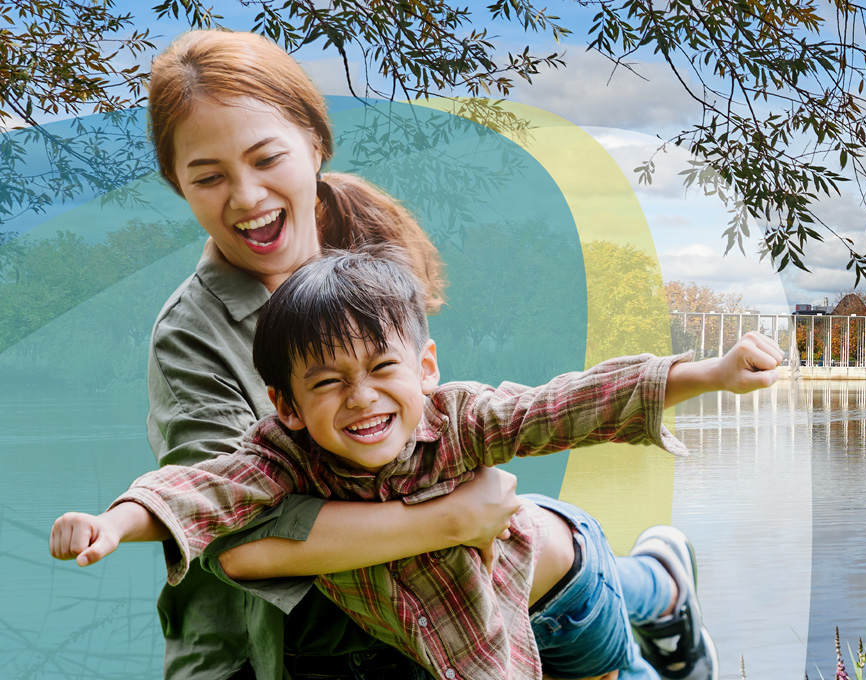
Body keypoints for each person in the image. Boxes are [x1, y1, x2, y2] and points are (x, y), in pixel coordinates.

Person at [137, 29, 703, 680]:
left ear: (315, 143)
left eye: (267, 159)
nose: (246, 197)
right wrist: (454, 520)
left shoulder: (366, 252)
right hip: (284, 641)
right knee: (538, 543)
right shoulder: (190, 335)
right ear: (178, 184)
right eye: (208, 177)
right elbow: (242, 536)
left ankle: (657, 596)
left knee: (552, 542)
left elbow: (437, 431)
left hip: (419, 589)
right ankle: (660, 592)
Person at [54, 249, 783, 680]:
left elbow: (569, 404)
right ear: (287, 404)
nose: (361, 399)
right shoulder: (282, 458)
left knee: (626, 620)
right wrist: (112, 524)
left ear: (427, 366)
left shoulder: (460, 419)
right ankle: (663, 583)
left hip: (561, 601)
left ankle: (663, 585)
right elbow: (202, 491)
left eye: (381, 368)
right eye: (328, 382)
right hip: (482, 636)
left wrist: (710, 373)